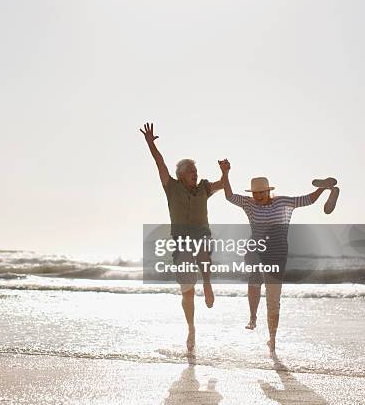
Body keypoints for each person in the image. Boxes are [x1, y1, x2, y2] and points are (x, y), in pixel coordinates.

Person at [218, 159, 339, 353]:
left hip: (277, 255)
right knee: (254, 281)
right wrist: (225, 173)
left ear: (268, 190)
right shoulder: (249, 204)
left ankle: (272, 339)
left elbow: (307, 199)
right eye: (255, 193)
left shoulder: (284, 202)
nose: (257, 196)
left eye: (261, 192)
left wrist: (322, 190)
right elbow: (230, 196)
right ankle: (252, 318)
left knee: (273, 300)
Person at [140, 123, 224, 352]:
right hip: (181, 241)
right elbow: (160, 163)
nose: (195, 175)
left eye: (196, 172)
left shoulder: (204, 189)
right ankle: (191, 328)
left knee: (204, 249)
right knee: (187, 291)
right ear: (181, 175)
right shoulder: (172, 187)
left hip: (201, 236)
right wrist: (150, 143)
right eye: (191, 172)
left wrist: (225, 174)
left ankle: (207, 283)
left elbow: (223, 185)